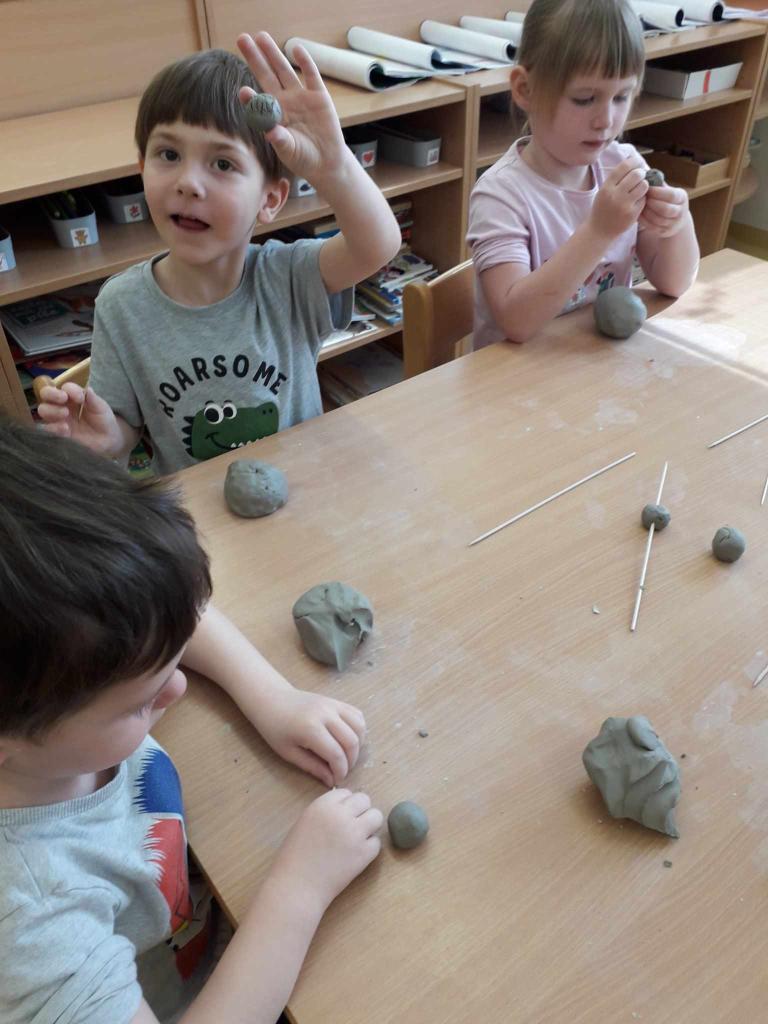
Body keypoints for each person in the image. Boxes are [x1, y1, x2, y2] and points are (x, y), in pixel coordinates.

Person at [0, 416, 382, 1024]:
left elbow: (161, 617)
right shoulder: (35, 923)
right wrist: (300, 888)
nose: (176, 688)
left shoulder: (44, 700)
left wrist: (271, 696)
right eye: (138, 702)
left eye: (169, 667)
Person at [37, 33, 401, 476]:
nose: (189, 183)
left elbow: (378, 245)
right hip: (195, 508)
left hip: (300, 492)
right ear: (142, 168)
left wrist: (335, 167)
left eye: (223, 164)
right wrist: (109, 437)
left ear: (270, 199)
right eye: (169, 154)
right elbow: (126, 424)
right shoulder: (121, 305)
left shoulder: (288, 277)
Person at [467, 0, 699, 347]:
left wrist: (676, 224)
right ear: (525, 90)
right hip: (519, 373)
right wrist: (599, 231)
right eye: (585, 99)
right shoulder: (501, 195)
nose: (605, 120)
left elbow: (675, 284)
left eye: (621, 97)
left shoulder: (624, 166)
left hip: (595, 364)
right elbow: (516, 321)